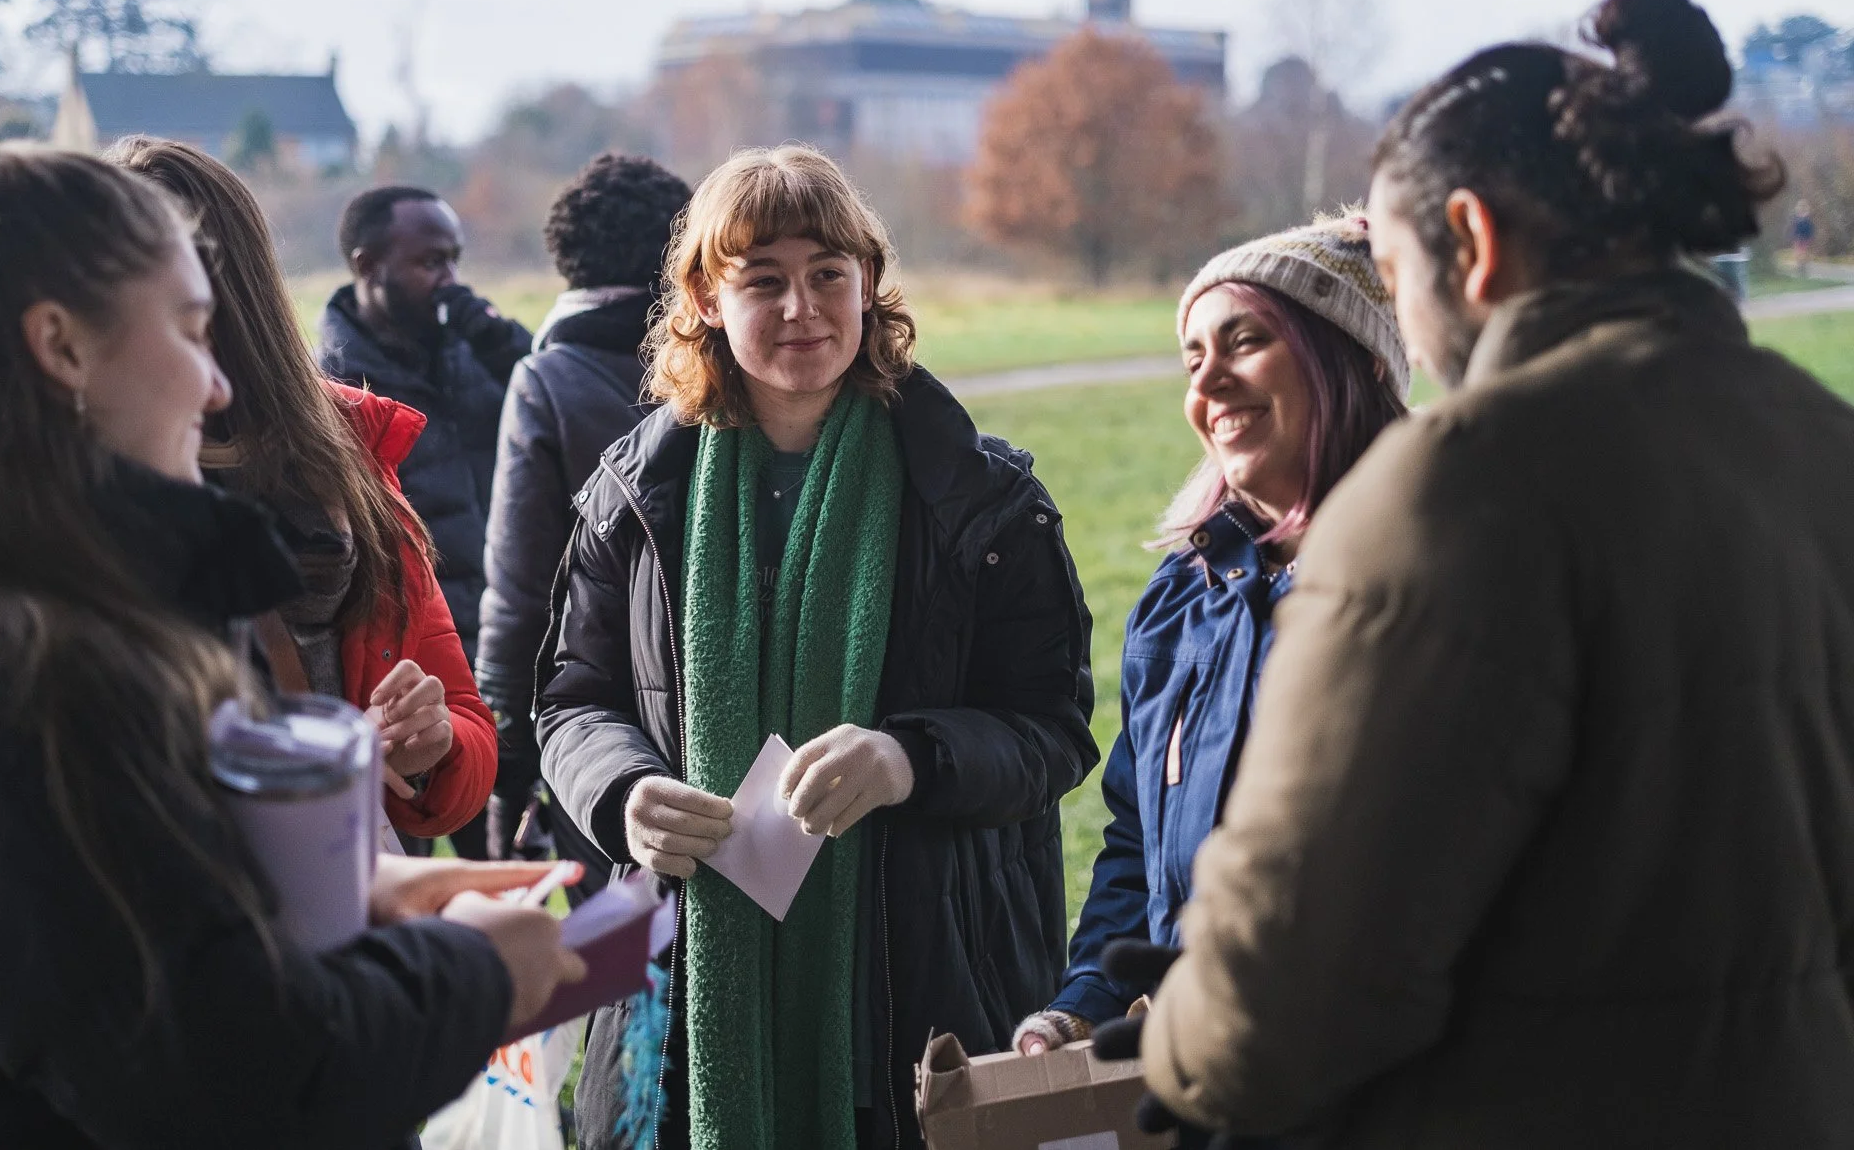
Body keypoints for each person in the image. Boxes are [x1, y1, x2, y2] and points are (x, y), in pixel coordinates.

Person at [1133, 0, 1854, 1145]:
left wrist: (1173, 1034)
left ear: (1466, 240)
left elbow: (1287, 997)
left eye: (1398, 271)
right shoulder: (1822, 442)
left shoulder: (1458, 484)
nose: (1409, 334)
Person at [0, 133, 585, 1147]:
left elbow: (127, 952)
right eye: (191, 332)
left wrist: (358, 891)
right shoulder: (25, 686)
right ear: (62, 346)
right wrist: (479, 972)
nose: (217, 384)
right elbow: (241, 1077)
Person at [535, 145, 1097, 1149]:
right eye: (763, 281)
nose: (802, 309)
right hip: (679, 997)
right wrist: (619, 792)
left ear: (868, 285)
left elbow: (1051, 729)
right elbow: (573, 697)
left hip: (918, 983)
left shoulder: (981, 498)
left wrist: (906, 757)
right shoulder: (633, 497)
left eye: (827, 275)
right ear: (703, 298)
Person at [1011, 213, 1407, 1059]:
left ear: (1357, 360)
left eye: (1246, 340)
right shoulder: (1182, 598)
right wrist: (1085, 1001)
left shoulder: (1433, 574)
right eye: (1194, 357)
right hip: (1219, 1067)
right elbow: (1136, 838)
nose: (1211, 381)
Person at [106, 137, 497, 842]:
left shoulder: (341, 439)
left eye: (193, 313)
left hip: (337, 858)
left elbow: (461, 713)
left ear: (235, 292)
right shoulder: (48, 466)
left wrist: (433, 747)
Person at [471, 152, 692, 866]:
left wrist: (507, 756)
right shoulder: (728, 360)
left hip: (597, 726)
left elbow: (518, 590)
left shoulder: (546, 379)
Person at [318, 185, 532, 663]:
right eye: (431, 263)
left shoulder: (475, 351)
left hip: (514, 630)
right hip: (427, 653)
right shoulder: (336, 392)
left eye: (455, 260)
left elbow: (558, 406)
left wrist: (502, 344)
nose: (451, 281)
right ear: (367, 265)